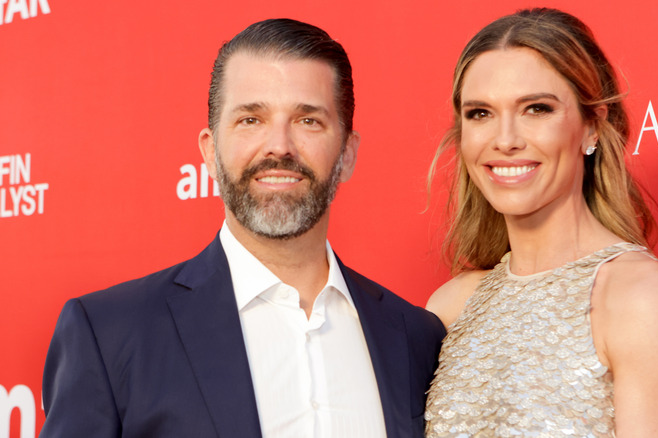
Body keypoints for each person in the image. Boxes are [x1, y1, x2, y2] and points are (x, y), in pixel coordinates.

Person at [41, 18, 445, 438]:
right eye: (251, 119)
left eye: (308, 120)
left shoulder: (415, 338)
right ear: (210, 152)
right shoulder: (108, 334)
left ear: (347, 154)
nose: (279, 145)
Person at [424, 8, 658, 437]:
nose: (505, 139)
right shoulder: (449, 306)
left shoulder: (641, 298)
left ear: (591, 127)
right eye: (480, 113)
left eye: (536, 109)